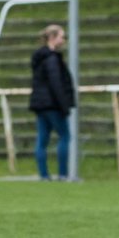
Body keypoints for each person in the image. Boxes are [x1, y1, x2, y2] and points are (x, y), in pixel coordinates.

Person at [28, 24, 76, 181]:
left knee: (42, 139)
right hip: (52, 104)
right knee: (65, 136)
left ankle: (44, 175)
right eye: (62, 36)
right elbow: (56, 84)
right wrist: (64, 106)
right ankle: (63, 174)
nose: (64, 40)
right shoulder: (51, 59)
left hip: (40, 104)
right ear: (52, 38)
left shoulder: (40, 57)